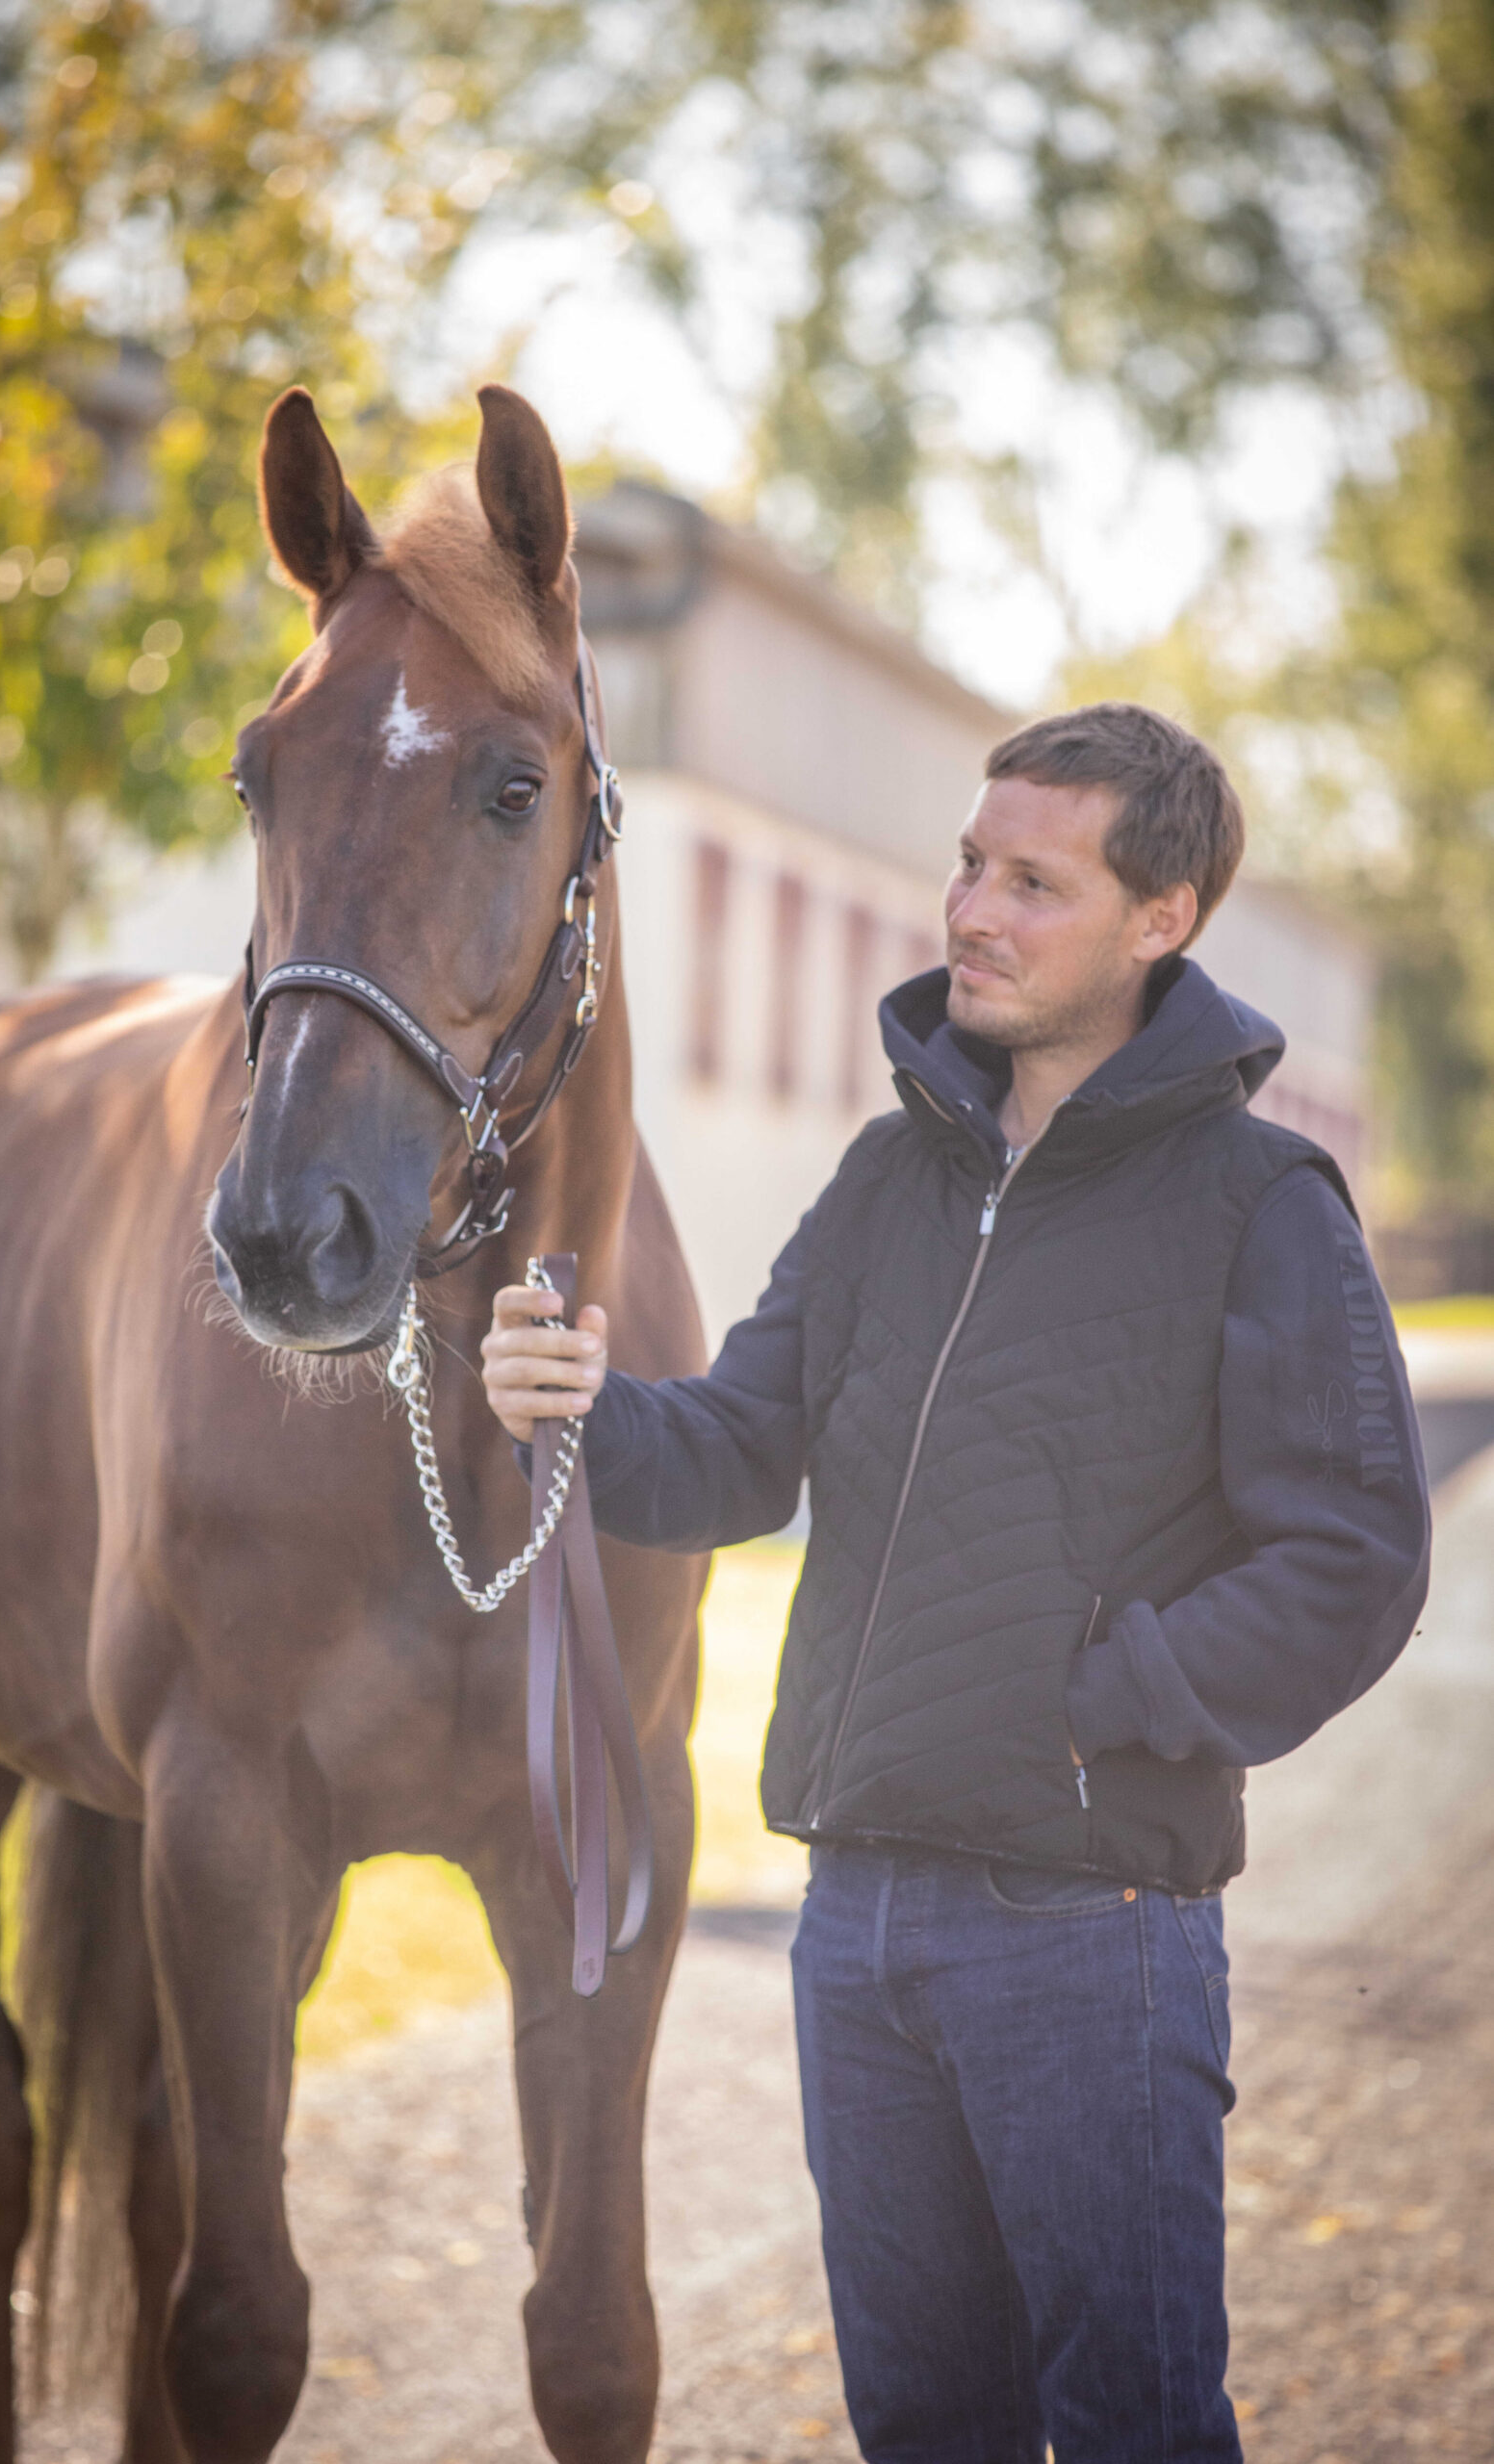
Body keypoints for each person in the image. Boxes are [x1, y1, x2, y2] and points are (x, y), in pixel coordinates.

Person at [481, 702, 1430, 2464]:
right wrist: (578, 1415)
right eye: (969, 864)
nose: (971, 912)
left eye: (1033, 884)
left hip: (1090, 1931)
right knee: (923, 2426)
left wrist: (1102, 1706)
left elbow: (1355, 1560)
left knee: (1136, 2427)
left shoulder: (1262, 1201)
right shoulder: (889, 1176)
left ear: (1161, 920)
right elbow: (738, 1451)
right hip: (855, 1919)